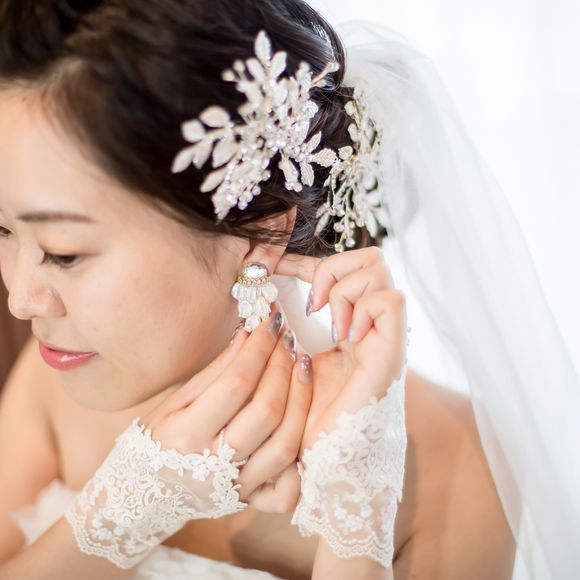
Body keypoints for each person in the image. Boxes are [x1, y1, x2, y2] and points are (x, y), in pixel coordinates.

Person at [1, 0, 572, 579]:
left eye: (64, 252)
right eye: (1, 230)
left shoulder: (460, 456)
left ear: (261, 233)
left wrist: (355, 519)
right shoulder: (60, 374)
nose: (20, 300)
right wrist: (121, 514)